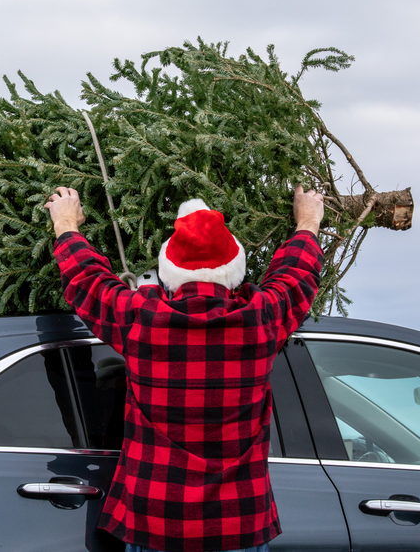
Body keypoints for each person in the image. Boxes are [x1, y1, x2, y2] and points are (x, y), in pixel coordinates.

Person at [46, 185, 324, 552]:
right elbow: (296, 277)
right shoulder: (261, 319)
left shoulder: (143, 319)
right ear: (235, 270)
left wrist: (66, 224)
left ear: (168, 271)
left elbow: (87, 281)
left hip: (156, 523)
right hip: (238, 524)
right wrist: (307, 221)